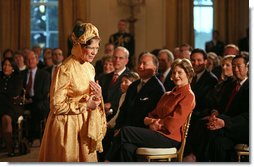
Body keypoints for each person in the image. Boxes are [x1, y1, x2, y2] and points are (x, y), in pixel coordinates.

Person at [39, 23, 107, 162]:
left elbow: (89, 98)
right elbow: (56, 105)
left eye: (97, 48)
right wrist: (84, 105)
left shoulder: (90, 67)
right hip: (67, 126)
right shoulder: (65, 69)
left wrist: (98, 96)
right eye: (91, 48)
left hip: (85, 124)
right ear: (80, 46)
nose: (95, 52)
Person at [104, 58, 196, 162]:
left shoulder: (188, 96)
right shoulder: (167, 95)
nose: (176, 76)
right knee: (127, 148)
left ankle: (106, 162)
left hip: (170, 139)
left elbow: (171, 125)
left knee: (125, 131)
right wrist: (152, 122)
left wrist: (154, 123)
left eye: (180, 73)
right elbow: (150, 115)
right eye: (174, 72)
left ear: (188, 74)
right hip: (156, 133)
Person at [0, 58, 24, 156]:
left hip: (13, 107)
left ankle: (10, 149)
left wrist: (2, 93)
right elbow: (9, 94)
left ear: (13, 68)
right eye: (5, 64)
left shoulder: (17, 77)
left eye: (9, 65)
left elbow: (15, 93)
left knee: (6, 118)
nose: (6, 67)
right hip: (1, 105)